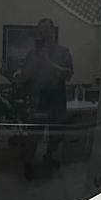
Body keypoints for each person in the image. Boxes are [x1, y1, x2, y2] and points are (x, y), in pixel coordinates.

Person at [17, 18, 73, 167]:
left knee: (57, 133)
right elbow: (24, 77)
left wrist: (48, 62)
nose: (44, 34)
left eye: (46, 30)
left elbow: (68, 75)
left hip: (57, 97)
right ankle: (29, 163)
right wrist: (32, 65)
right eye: (41, 31)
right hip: (38, 98)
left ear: (53, 32)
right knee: (34, 133)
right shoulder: (32, 54)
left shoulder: (63, 52)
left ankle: (48, 156)